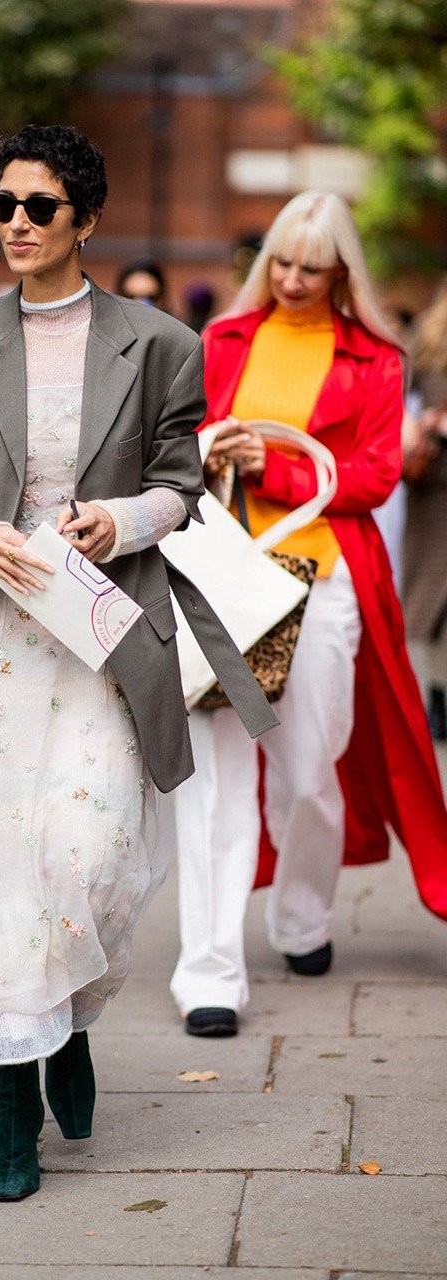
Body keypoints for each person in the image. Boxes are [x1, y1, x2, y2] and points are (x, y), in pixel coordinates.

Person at [0, 123, 274, 1203]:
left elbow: (183, 482)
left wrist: (120, 518)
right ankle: (12, 1095)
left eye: (38, 207)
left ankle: (67, 1023)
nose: (14, 223)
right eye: (4, 202)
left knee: (87, 860)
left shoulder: (158, 344)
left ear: (84, 220)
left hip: (101, 633)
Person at [168, 191, 447, 1040]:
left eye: (310, 267)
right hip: (221, 576)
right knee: (213, 781)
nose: (290, 279)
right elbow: (171, 445)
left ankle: (301, 917)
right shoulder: (220, 341)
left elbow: (372, 477)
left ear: (339, 272)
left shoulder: (376, 358)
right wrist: (214, 448)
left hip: (324, 585)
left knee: (307, 774)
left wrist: (275, 467)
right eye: (280, 263)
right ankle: (208, 969)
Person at [401, 280, 447, 741]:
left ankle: (439, 696)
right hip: (433, 487)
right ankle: (436, 697)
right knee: (431, 607)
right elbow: (398, 403)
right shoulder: (430, 349)